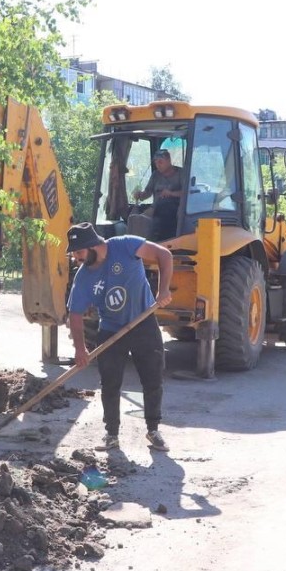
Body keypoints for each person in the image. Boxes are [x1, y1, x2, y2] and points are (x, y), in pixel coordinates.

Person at [65, 222, 174, 452]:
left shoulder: (125, 245)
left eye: (78, 252)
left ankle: (153, 430)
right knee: (110, 384)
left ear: (93, 245)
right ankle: (111, 434)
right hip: (111, 329)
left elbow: (163, 255)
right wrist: (80, 349)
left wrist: (163, 290)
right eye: (74, 254)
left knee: (152, 379)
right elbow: (74, 314)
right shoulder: (83, 277)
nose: (76, 259)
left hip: (143, 322)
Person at [132, 149, 184, 240]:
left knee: (164, 205)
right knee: (131, 210)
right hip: (156, 208)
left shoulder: (181, 173)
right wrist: (140, 195)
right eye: (156, 163)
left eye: (160, 162)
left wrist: (171, 193)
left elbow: (187, 193)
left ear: (169, 161)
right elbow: (148, 192)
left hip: (174, 209)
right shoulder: (155, 175)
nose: (158, 165)